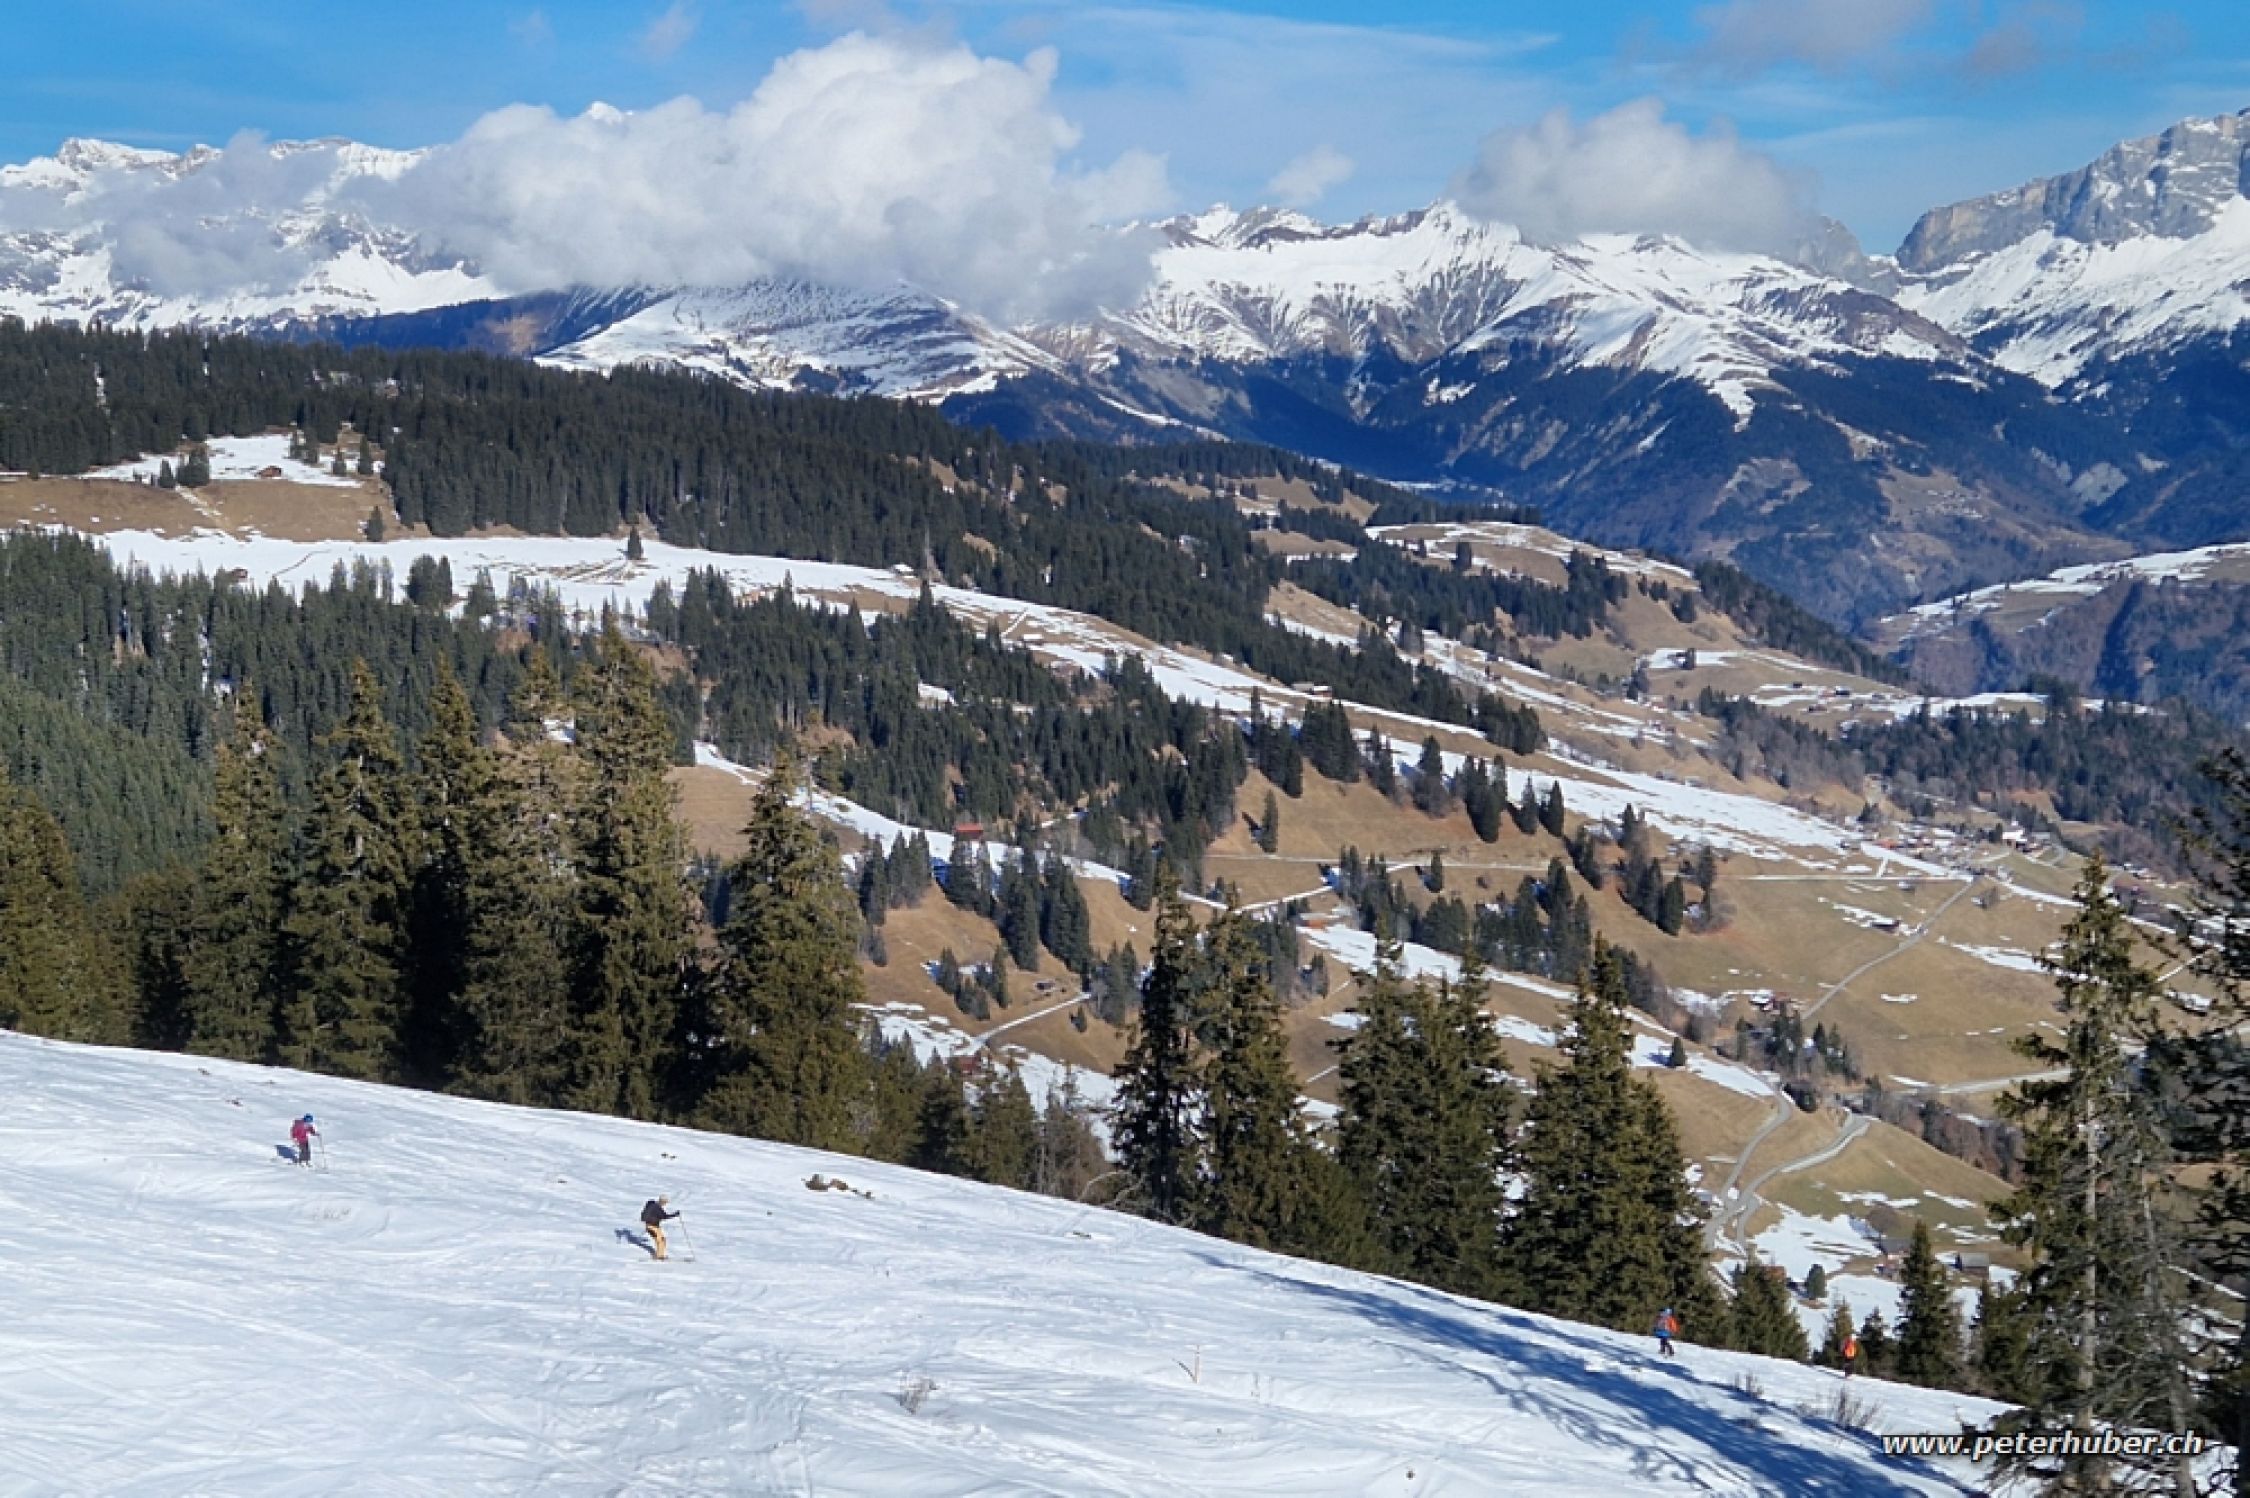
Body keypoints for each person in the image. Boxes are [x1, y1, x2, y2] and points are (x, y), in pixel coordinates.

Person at [641, 1196, 679, 1260]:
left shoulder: (654, 1206)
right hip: (653, 1227)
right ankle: (660, 1256)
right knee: (661, 1240)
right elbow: (664, 1216)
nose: (665, 1204)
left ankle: (659, 1255)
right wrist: (675, 1215)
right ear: (662, 1201)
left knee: (660, 1240)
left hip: (650, 1226)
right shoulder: (657, 1207)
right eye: (665, 1202)